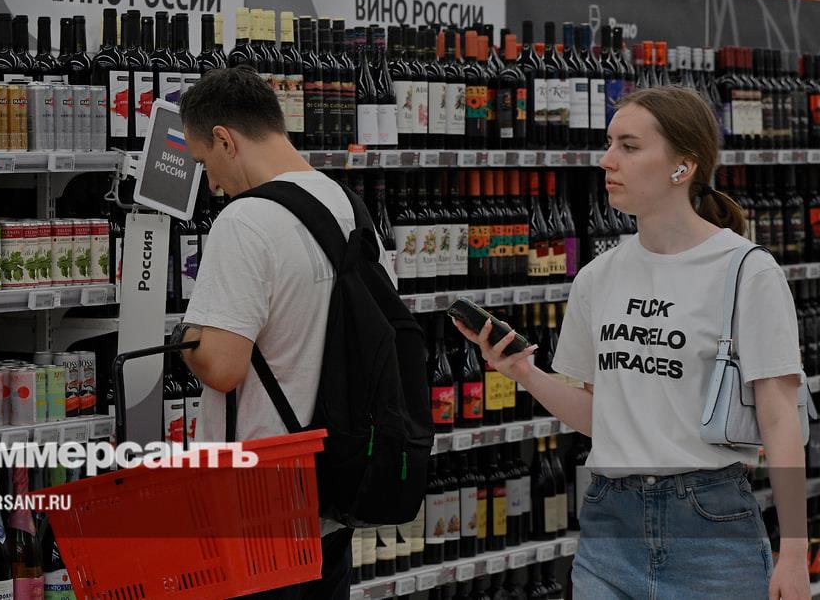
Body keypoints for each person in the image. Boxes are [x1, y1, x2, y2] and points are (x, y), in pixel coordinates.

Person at [454, 85, 809, 600]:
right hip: (609, 526)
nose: (607, 160)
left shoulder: (746, 271)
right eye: (609, 143)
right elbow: (600, 417)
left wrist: (794, 551)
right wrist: (524, 373)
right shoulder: (598, 276)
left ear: (682, 166)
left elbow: (779, 418)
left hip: (710, 526)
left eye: (629, 146)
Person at [173, 66, 393, 599]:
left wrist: (184, 337)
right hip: (333, 487)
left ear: (225, 140)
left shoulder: (244, 221)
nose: (212, 183)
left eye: (204, 162)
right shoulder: (350, 206)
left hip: (258, 504)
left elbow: (223, 367)